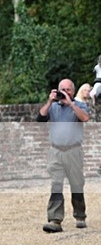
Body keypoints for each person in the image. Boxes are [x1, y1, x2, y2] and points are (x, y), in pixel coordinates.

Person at [37, 79, 89, 233]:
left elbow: (85, 118)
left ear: (73, 91)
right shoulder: (53, 107)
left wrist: (70, 104)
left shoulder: (79, 105)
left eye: (68, 89)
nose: (65, 92)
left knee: (77, 185)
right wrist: (49, 101)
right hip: (56, 152)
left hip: (74, 151)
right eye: (62, 89)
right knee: (56, 185)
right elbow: (40, 119)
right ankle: (55, 220)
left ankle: (80, 215)